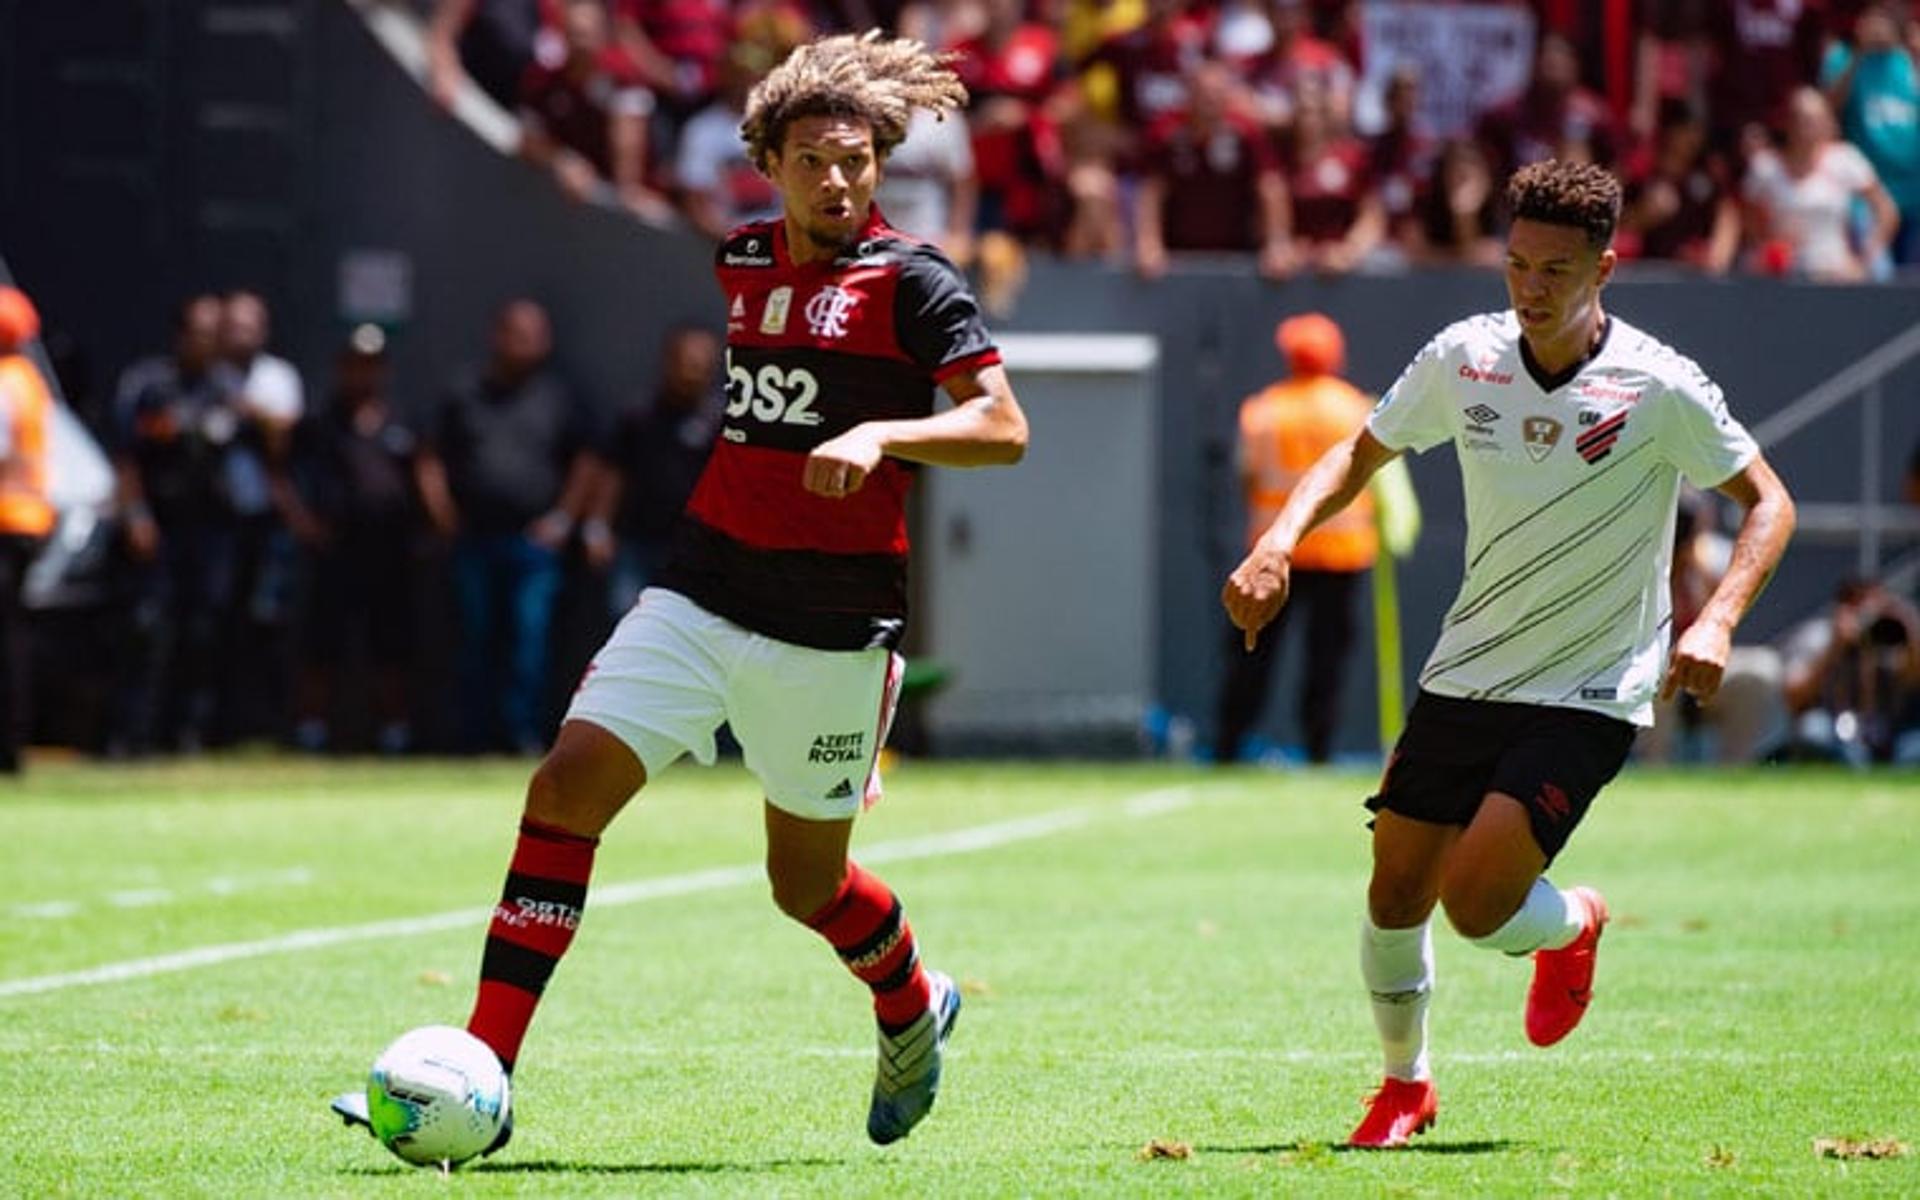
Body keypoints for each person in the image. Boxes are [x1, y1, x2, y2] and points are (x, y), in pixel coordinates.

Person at [332, 31, 1028, 1152]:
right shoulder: (744, 260)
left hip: (830, 628)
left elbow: (1004, 427)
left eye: (857, 160)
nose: (839, 179)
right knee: (563, 794)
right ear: (772, 163)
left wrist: (882, 431)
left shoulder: (915, 283)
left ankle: (910, 1001)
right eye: (815, 160)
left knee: (806, 887)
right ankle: (483, 1076)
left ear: (881, 163)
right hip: (700, 593)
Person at [1221, 160, 1795, 1148]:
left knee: (1476, 903)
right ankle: (1406, 1085)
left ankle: (1573, 924)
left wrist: (1718, 619)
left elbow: (1770, 503)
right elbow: (1359, 453)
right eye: (1517, 266)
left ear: (1605, 269)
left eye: (1556, 272)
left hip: (1590, 687)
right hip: (1470, 668)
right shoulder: (1464, 358)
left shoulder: (1657, 385)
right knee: (1393, 888)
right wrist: (1277, 541)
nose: (1530, 290)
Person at [417, 298, 599, 755]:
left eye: (537, 334)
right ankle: (473, 738)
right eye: (519, 333)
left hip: (533, 544)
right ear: (497, 335)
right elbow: (429, 455)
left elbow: (587, 460)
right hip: (473, 538)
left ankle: (521, 736)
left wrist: (563, 519)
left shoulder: (558, 397)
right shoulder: (464, 390)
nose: (528, 343)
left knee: (529, 644)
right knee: (474, 641)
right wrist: (442, 513)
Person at [1213, 313, 1375, 765]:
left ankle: (1229, 743)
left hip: (1275, 552)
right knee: (1327, 661)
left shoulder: (1262, 410)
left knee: (1252, 653)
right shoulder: (1355, 407)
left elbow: (1246, 475)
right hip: (1343, 554)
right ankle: (1319, 750)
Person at [110, 295, 245, 755]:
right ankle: (134, 733)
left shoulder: (226, 387)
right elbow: (126, 459)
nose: (209, 343)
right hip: (160, 525)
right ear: (182, 335)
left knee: (202, 632)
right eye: (202, 333)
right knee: (149, 629)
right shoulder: (151, 384)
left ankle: (189, 733)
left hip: (208, 530)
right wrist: (136, 516)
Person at [281, 326, 424, 756]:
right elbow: (281, 473)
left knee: (391, 648)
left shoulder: (401, 421)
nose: (363, 374)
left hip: (389, 552)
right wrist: (302, 522)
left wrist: (433, 525)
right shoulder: (321, 424)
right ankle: (311, 733)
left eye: (371, 365)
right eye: (355, 365)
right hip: (335, 552)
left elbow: (424, 474)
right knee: (321, 646)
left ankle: (395, 735)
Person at [587, 323, 724, 617]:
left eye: (700, 365)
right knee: (626, 619)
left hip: (695, 549)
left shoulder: (722, 421)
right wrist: (598, 527)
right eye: (686, 363)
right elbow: (613, 471)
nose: (691, 372)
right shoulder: (639, 413)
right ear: (669, 361)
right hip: (637, 541)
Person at [0, 287, 56, 774]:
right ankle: (13, 744)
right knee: (15, 634)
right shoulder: (28, 380)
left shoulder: (3, 382)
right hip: (29, 519)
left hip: (4, 518)